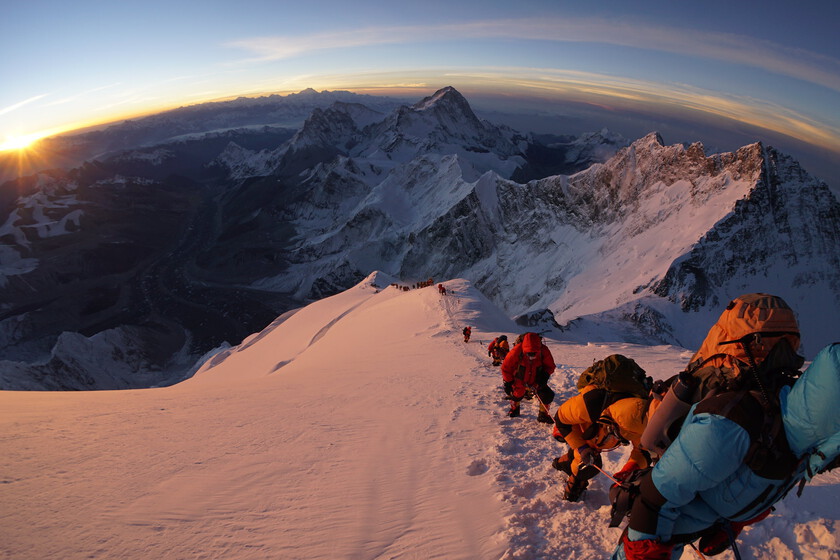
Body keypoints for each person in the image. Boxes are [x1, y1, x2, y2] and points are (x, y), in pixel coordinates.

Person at [611, 294, 840, 560]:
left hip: (694, 520)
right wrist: (643, 551)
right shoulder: (730, 423)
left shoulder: (793, 434)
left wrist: (735, 519)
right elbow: (656, 496)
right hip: (661, 533)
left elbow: (760, 479)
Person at [551, 355, 652, 502]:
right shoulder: (590, 402)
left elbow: (642, 451)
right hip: (584, 427)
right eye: (616, 433)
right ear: (610, 419)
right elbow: (561, 419)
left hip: (597, 434)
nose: (617, 439)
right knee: (589, 464)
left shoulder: (641, 422)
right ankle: (575, 475)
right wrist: (582, 448)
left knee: (588, 455)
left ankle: (565, 461)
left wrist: (629, 470)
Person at [501, 332, 555, 422]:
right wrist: (508, 382)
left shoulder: (543, 350)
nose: (531, 356)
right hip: (519, 379)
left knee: (547, 395)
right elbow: (505, 368)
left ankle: (543, 415)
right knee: (516, 394)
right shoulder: (517, 350)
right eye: (529, 353)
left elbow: (550, 366)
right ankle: (514, 409)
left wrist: (544, 376)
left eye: (534, 353)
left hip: (537, 380)